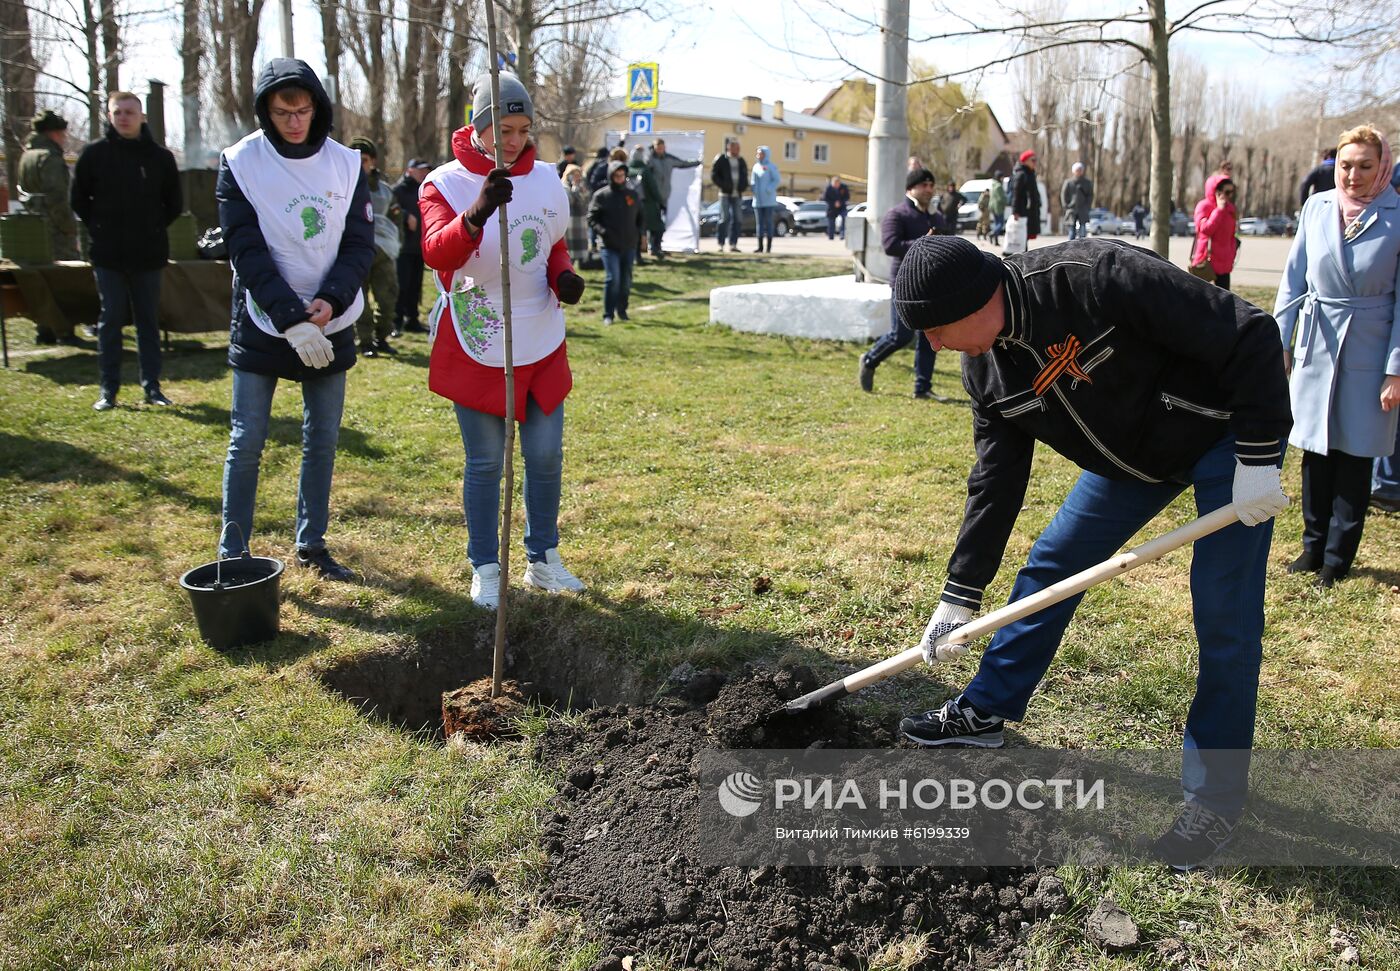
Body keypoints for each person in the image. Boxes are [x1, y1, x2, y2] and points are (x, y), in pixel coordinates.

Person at [891, 234, 1291, 871]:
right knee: (1053, 564)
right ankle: (986, 709)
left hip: (1223, 437)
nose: (932, 346)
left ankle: (1215, 798)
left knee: (1225, 617)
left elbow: (1251, 333)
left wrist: (1261, 454)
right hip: (1131, 463)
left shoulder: (1099, 276)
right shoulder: (986, 370)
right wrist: (959, 595)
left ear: (979, 298)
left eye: (937, 328)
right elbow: (996, 481)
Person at [418, 71, 588, 608]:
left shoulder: (545, 179)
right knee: (487, 462)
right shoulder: (442, 184)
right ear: (477, 126)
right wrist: (479, 210)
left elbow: (548, 243)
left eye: (522, 129)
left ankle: (542, 558)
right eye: (501, 129)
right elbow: (438, 252)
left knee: (544, 454)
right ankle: (486, 567)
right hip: (479, 338)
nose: (512, 141)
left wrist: (561, 274)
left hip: (539, 333)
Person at [216, 58, 376, 580]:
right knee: (248, 438)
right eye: (283, 111)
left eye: (303, 110)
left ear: (317, 107)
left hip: (329, 316)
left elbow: (358, 243)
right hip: (264, 317)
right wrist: (289, 316)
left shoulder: (346, 164)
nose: (294, 121)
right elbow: (246, 248)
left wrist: (329, 300)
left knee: (322, 436)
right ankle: (233, 551)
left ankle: (312, 543)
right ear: (266, 110)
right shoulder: (241, 163)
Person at [1275, 125, 1400, 587]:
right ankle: (1311, 547)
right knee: (1315, 450)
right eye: (1346, 165)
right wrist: (1281, 342)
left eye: (1365, 166)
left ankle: (1337, 558)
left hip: (1370, 347)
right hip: (1317, 341)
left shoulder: (1397, 214)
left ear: (1381, 166)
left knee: (1355, 454)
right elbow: (1293, 279)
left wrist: (1396, 370)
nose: (1353, 175)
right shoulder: (1317, 206)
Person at [71, 92, 183, 411]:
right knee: (111, 320)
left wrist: (151, 228)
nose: (123, 117)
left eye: (130, 112)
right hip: (108, 255)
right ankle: (109, 390)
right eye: (117, 112)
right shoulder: (94, 155)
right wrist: (101, 229)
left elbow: (173, 203)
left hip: (148, 255)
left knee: (148, 321)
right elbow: (78, 199)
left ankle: (152, 387)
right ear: (109, 116)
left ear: (142, 116)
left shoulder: (160, 158)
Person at [858, 168, 944, 400]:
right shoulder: (897, 214)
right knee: (902, 335)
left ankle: (922, 388)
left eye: (931, 185)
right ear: (910, 189)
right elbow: (891, 245)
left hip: (931, 284)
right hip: (905, 283)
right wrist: (923, 243)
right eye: (923, 185)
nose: (928, 189)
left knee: (929, 337)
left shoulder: (936, 216)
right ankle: (869, 360)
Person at [349, 138, 401, 357]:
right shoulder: (341, 185)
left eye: (364, 160)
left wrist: (396, 244)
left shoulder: (384, 190)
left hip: (383, 252)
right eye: (355, 160)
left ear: (372, 162)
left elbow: (395, 218)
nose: (360, 165)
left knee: (388, 297)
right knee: (359, 301)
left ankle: (382, 337)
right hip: (353, 252)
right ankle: (366, 341)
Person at [18, 110, 79, 270]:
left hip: (31, 228)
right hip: (54, 233)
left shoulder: (27, 156)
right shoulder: (50, 158)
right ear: (54, 134)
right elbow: (57, 198)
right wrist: (70, 228)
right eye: (62, 134)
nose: (64, 138)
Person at [588, 160, 641, 325]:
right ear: (611, 176)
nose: (620, 178)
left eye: (622, 175)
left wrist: (639, 235)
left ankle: (622, 310)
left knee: (626, 281)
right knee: (613, 279)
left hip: (629, 245)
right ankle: (608, 314)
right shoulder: (601, 196)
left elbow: (640, 217)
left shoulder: (632, 195)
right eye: (616, 175)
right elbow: (591, 218)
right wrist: (603, 232)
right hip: (609, 246)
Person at [391, 157, 433, 335]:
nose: (424, 173)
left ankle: (412, 319)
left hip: (418, 246)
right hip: (402, 247)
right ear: (409, 171)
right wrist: (406, 214)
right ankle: (396, 321)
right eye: (420, 170)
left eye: (426, 170)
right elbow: (390, 209)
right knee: (402, 285)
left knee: (416, 285)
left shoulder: (424, 190)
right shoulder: (398, 190)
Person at [646, 138, 701, 258]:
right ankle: (652, 247)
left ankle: (658, 246)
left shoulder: (669, 159)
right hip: (653, 197)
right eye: (658, 148)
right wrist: (650, 153)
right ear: (654, 148)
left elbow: (683, 163)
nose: (660, 150)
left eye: (662, 147)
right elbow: (645, 168)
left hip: (664, 197)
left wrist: (697, 162)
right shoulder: (651, 160)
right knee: (654, 224)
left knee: (662, 223)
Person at [1192, 177, 1238, 290]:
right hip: (1207, 260)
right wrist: (1218, 210)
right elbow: (1205, 230)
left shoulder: (1230, 209)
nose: (1229, 196)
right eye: (1227, 192)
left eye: (1231, 192)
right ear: (1216, 191)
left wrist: (1232, 253)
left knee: (1225, 299)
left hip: (1225, 261)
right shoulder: (1203, 206)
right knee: (1200, 298)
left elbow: (1231, 234)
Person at [710, 139, 748, 253]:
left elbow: (745, 176)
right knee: (724, 218)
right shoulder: (721, 159)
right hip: (725, 194)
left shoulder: (741, 161)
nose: (737, 150)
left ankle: (733, 244)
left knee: (737, 219)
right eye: (735, 148)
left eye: (738, 148)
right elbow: (714, 175)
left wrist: (743, 186)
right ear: (729, 148)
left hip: (737, 194)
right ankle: (721, 244)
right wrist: (723, 185)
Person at [628, 145, 662, 264]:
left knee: (635, 231)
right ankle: (654, 249)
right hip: (646, 204)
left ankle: (636, 256)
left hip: (629, 204)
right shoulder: (645, 170)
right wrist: (660, 200)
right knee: (657, 228)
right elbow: (653, 188)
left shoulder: (626, 169)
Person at [1005, 150, 1040, 255]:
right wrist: (1015, 211)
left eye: (1035, 160)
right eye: (1032, 160)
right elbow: (1016, 193)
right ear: (1025, 161)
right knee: (1021, 234)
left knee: (1025, 234)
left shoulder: (1030, 173)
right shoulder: (1021, 174)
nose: (1035, 162)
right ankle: (1020, 255)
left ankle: (1023, 253)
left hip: (1029, 210)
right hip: (1022, 210)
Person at [750, 145, 781, 254]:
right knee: (759, 224)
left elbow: (776, 180)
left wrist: (768, 189)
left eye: (761, 153)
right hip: (758, 201)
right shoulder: (755, 167)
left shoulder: (771, 167)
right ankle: (760, 247)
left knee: (768, 223)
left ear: (766, 154)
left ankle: (768, 247)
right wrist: (753, 188)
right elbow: (753, 180)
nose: (759, 155)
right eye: (758, 153)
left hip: (768, 201)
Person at [561, 163, 590, 266]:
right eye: (574, 174)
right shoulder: (563, 187)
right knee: (569, 245)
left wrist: (580, 190)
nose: (576, 177)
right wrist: (574, 189)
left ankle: (582, 263)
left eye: (578, 175)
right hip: (569, 220)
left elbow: (586, 199)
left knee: (580, 244)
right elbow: (569, 201)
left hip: (580, 219)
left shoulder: (582, 186)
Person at [1061, 162, 1093, 241]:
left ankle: (1083, 247)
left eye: (1080, 170)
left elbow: (1090, 195)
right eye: (1077, 170)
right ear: (1073, 171)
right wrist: (1066, 206)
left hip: (1083, 209)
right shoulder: (1068, 182)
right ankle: (1071, 247)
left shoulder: (1087, 183)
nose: (1079, 171)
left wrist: (1087, 206)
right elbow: (1063, 195)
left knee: (1083, 230)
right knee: (1072, 230)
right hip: (1071, 209)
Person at [822, 175, 850, 241]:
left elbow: (847, 197)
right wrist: (834, 203)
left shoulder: (844, 187)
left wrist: (840, 202)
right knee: (831, 222)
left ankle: (842, 235)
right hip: (832, 208)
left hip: (842, 207)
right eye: (835, 183)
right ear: (832, 183)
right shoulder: (828, 188)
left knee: (844, 218)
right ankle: (831, 236)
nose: (836, 185)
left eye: (838, 183)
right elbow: (825, 198)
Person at [988, 172, 1007, 247]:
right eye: (1002, 177)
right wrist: (1006, 201)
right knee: (1000, 224)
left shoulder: (993, 185)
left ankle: (996, 240)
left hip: (992, 207)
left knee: (996, 223)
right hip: (998, 207)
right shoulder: (998, 186)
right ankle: (992, 233)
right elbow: (1000, 198)